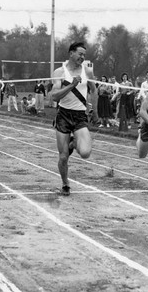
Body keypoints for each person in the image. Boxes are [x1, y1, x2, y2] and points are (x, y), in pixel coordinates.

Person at [51, 42, 96, 196]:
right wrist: (72, 85)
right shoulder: (59, 72)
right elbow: (54, 96)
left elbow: (94, 90)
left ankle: (73, 142)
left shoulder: (87, 72)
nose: (82, 57)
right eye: (80, 54)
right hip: (63, 115)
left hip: (80, 115)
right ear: (71, 53)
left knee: (85, 153)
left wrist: (94, 111)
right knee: (63, 156)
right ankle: (65, 184)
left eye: (84, 55)